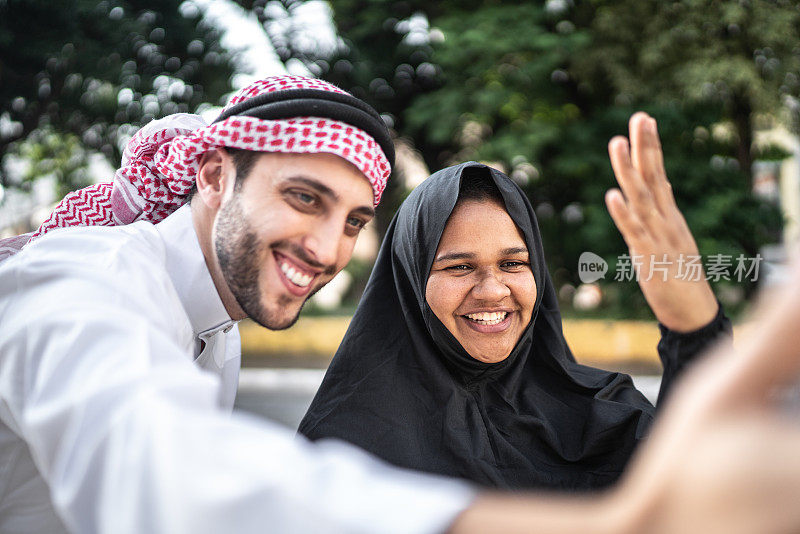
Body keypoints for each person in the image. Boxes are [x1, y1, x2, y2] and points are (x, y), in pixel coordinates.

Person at [1, 76, 799, 533]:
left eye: (350, 221)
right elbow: (166, 473)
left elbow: (710, 476)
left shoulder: (214, 331)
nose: (324, 247)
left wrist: (694, 328)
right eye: (303, 197)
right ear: (213, 177)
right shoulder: (85, 285)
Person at [299, 113, 729, 490]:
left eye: (512, 264)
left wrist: (693, 332)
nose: (493, 290)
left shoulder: (605, 415)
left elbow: (708, 487)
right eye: (459, 268)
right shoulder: (343, 451)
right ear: (411, 281)